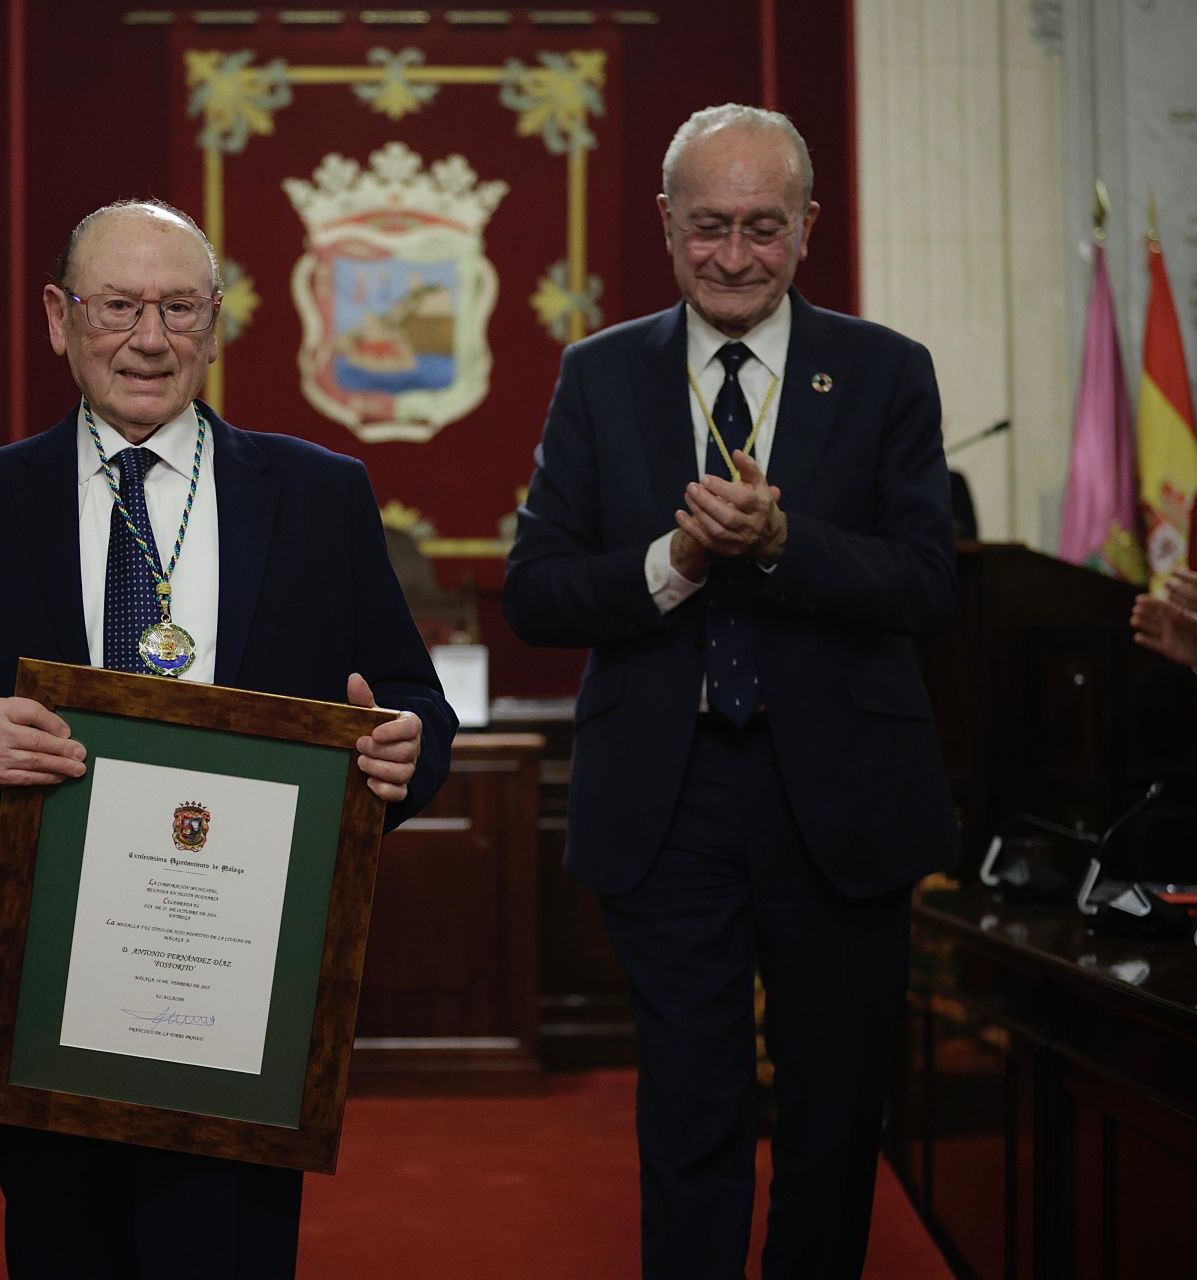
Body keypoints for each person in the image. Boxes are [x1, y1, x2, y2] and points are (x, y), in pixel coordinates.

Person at [0, 198, 456, 1278]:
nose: (149, 338)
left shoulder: (320, 496)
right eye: (118, 306)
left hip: (245, 987)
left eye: (177, 308)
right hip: (46, 985)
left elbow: (413, 707)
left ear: (215, 324)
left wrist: (405, 752)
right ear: (59, 319)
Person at [503, 104, 958, 1279]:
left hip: (843, 802)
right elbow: (538, 592)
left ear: (810, 225)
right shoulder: (601, 375)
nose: (737, 254)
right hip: (671, 795)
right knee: (690, 1104)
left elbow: (925, 583)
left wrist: (781, 539)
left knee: (835, 1101)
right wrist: (678, 561)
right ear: (665, 223)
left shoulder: (885, 372)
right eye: (710, 227)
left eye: (765, 226)